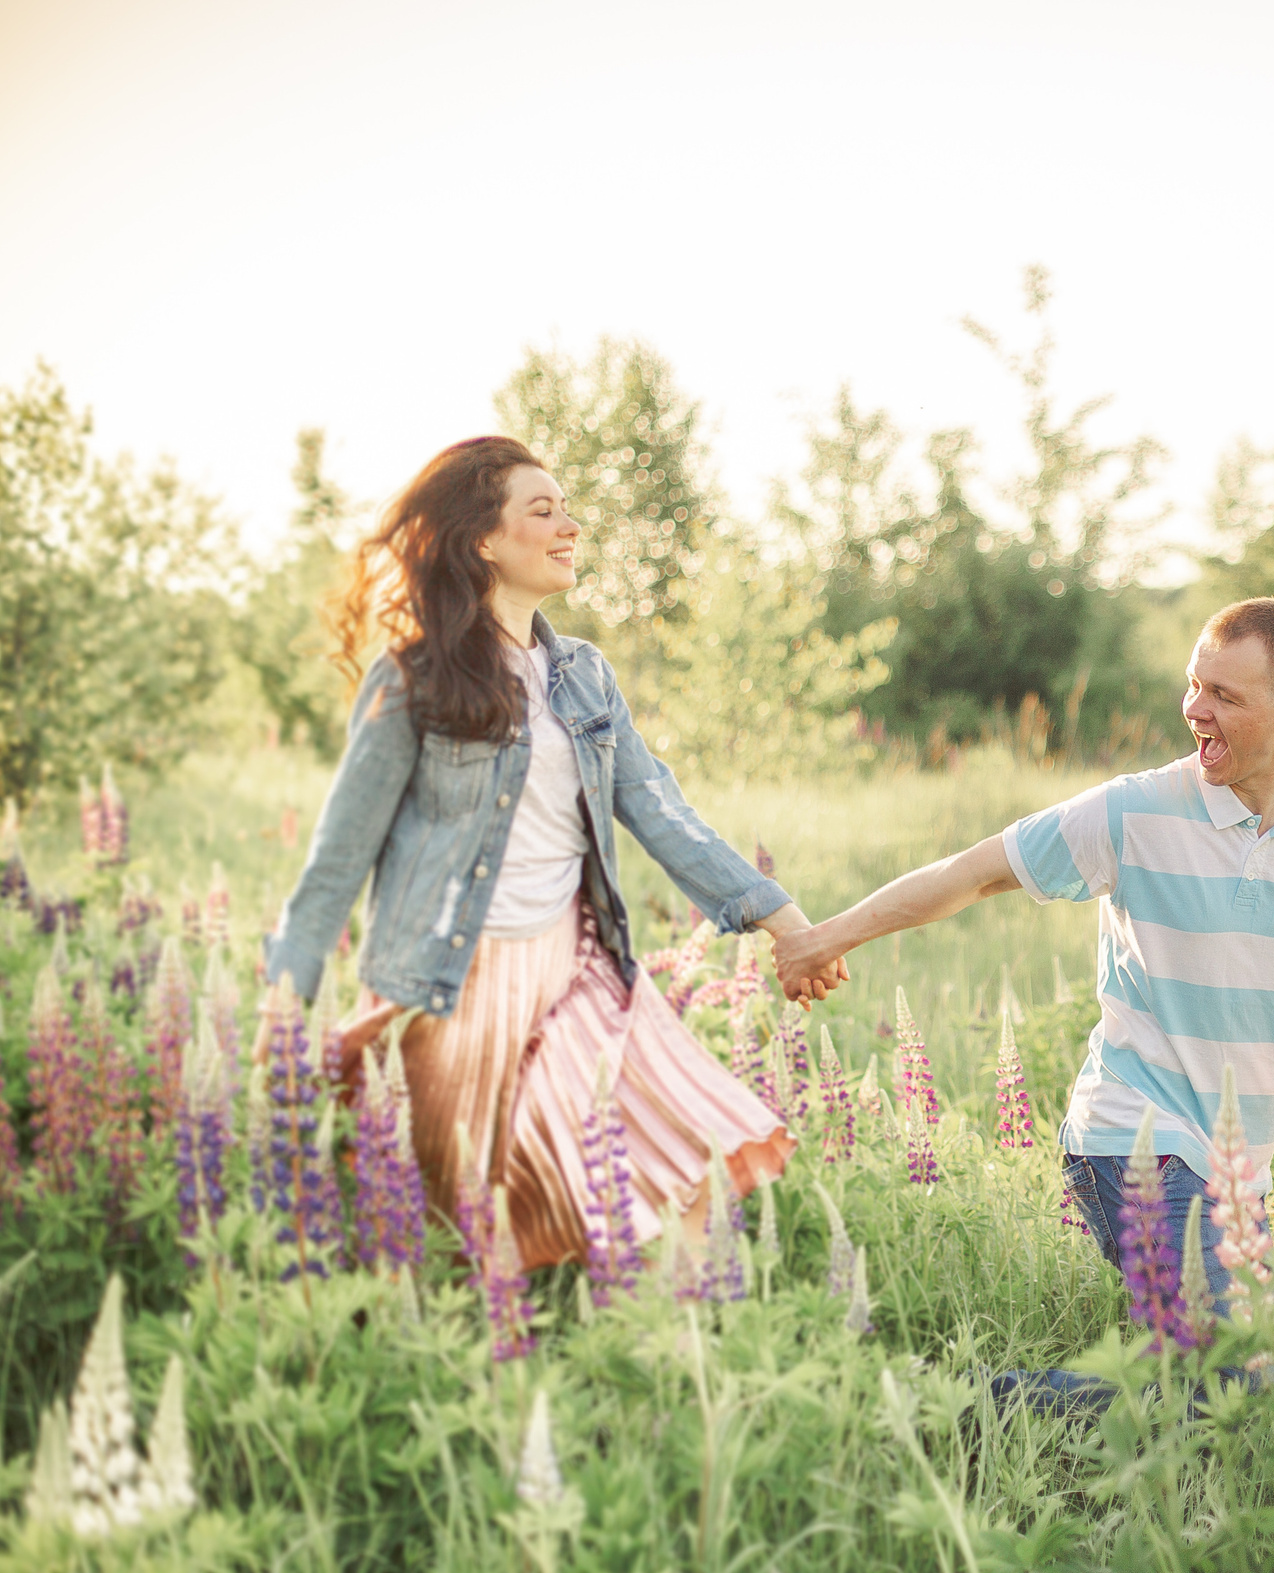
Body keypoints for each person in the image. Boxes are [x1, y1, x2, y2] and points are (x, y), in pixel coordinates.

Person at [262, 435, 846, 1266]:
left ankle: (680, 1341)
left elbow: (662, 812)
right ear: (482, 539)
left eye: (568, 509)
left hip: (577, 972)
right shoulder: (415, 678)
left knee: (685, 1165)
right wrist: (284, 1006)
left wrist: (788, 923)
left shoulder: (585, 675)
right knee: (456, 1237)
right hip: (449, 984)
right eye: (544, 511)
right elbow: (336, 862)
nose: (570, 526)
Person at [775, 596, 1274, 1301]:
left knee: (1228, 1364)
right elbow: (972, 874)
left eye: (1224, 695)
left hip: (1239, 1168)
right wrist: (822, 939)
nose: (1195, 709)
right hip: (1134, 1137)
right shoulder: (1134, 811)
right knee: (1225, 1347)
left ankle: (1052, 1377)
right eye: (1194, 684)